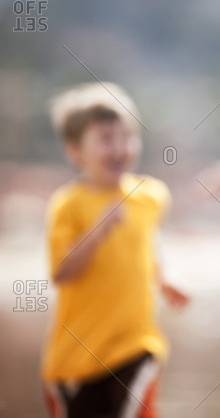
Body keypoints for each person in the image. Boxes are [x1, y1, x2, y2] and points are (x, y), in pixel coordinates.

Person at [42, 82, 189, 418]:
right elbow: (61, 272)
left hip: (137, 344)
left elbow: (147, 239)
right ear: (74, 150)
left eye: (128, 136)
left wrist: (165, 278)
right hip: (76, 360)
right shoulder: (68, 205)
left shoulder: (150, 195)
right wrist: (98, 230)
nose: (120, 147)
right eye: (106, 139)